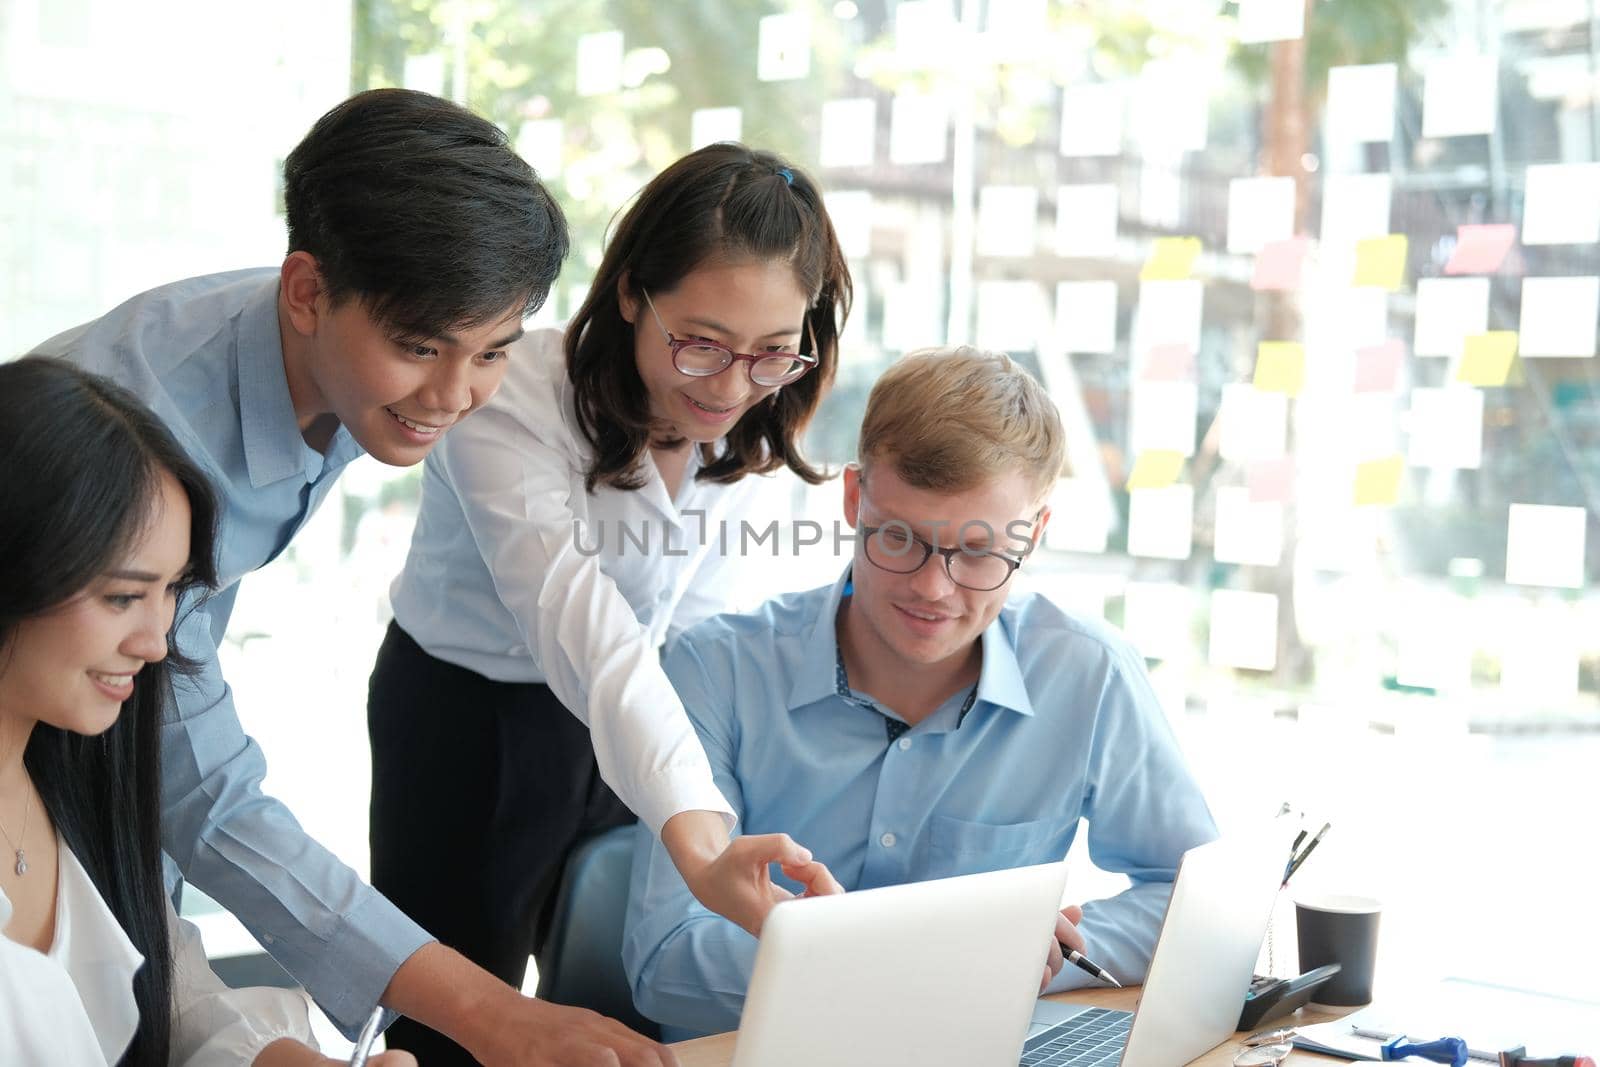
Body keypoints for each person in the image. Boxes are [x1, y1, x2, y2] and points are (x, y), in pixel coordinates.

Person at [22, 87, 686, 1066]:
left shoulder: (345, 371)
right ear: (306, 291)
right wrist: (483, 1007)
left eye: (492, 351)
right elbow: (198, 784)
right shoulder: (145, 436)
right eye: (421, 347)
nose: (454, 396)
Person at [369, 142, 851, 1062]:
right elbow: (588, 637)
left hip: (640, 722)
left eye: (772, 353)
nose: (731, 385)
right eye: (701, 342)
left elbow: (697, 634)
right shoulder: (512, 398)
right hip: (474, 718)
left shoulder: (749, 416)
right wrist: (703, 846)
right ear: (632, 291)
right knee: (459, 1015)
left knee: (613, 1011)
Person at [621, 347, 1221, 1037]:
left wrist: (1044, 949)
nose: (933, 588)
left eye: (977, 552)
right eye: (900, 538)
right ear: (853, 498)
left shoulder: (1088, 674)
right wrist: (926, 965)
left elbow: (1193, 898)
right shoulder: (715, 671)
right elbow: (663, 961)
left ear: (1036, 533)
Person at [0, 357, 412, 1066]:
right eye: (124, 596)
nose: (157, 641)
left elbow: (174, 997)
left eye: (171, 591)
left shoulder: (81, 783)